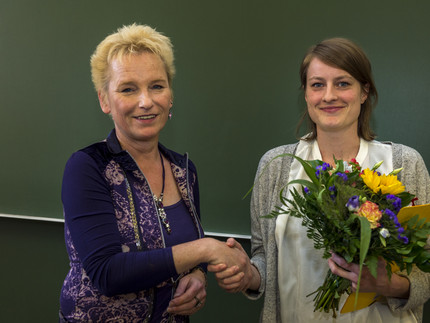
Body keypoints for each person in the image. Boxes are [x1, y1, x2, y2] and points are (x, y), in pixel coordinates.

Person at [210, 38, 430, 322]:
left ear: (364, 92)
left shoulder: (405, 164)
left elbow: (426, 263)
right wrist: (247, 274)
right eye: (317, 85)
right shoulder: (276, 167)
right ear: (306, 94)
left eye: (342, 83)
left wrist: (392, 285)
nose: (328, 96)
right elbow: (265, 259)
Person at [59, 23, 245, 322]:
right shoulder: (87, 166)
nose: (146, 101)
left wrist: (197, 275)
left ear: (170, 95)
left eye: (157, 86)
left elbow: (184, 250)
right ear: (104, 100)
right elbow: (107, 273)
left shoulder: (184, 171)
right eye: (128, 89)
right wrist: (206, 250)